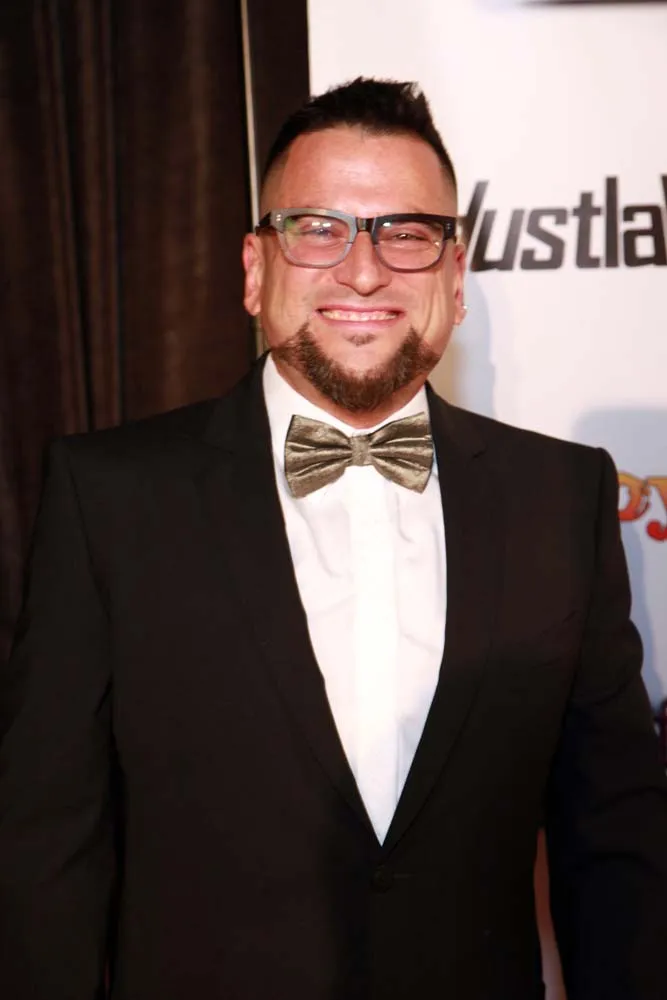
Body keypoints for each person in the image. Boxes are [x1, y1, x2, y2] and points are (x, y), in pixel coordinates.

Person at [1, 77, 666, 1000]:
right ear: (253, 269)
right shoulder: (109, 496)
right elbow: (46, 844)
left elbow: (617, 836)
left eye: (406, 233)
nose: (362, 271)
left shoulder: (561, 495)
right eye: (317, 229)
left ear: (455, 278)